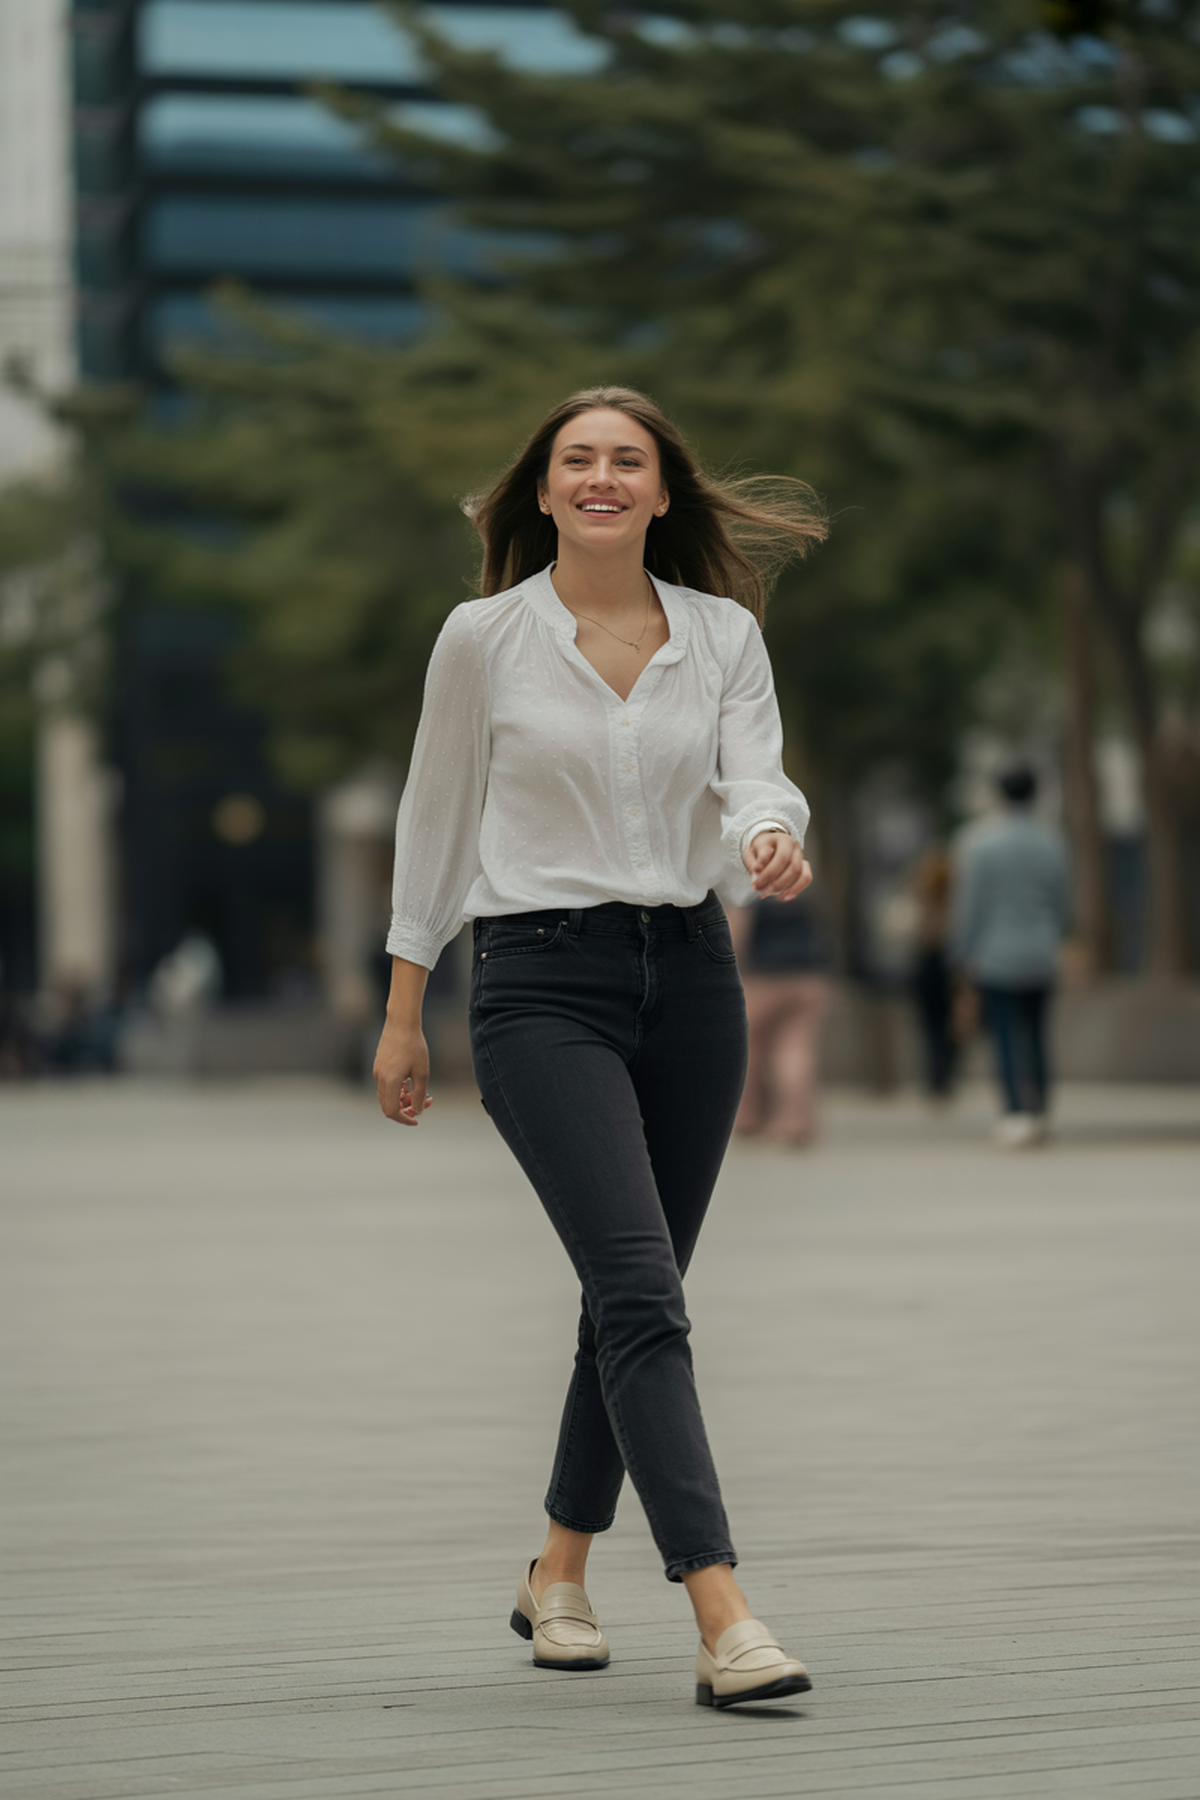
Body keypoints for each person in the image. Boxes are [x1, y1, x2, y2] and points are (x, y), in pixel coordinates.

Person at [373, 385, 825, 1709]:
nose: (604, 477)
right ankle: (723, 1608)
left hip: (690, 978)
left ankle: (557, 1571)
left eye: (629, 460)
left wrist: (768, 833)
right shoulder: (484, 638)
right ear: (546, 488)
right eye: (579, 460)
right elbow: (433, 820)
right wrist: (404, 1013)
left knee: (631, 1296)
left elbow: (759, 771)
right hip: (537, 986)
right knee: (640, 1291)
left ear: (663, 491)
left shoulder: (725, 634)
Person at [951, 766, 1070, 1147]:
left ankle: (1015, 1113)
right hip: (1041, 952)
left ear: (999, 794)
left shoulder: (981, 843)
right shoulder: (1053, 841)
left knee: (1004, 1036)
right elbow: (1065, 901)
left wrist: (961, 952)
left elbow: (970, 904)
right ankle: (1042, 1111)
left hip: (995, 955)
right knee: (1037, 1033)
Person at [730, 891, 835, 1145]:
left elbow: (737, 934)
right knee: (795, 1049)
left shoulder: (750, 894)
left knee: (750, 1049)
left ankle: (748, 1115)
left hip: (764, 978)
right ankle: (795, 1120)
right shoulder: (805, 892)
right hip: (810, 977)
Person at [909, 846, 959, 1100]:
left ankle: (935, 1075)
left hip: (927, 964)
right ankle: (945, 1074)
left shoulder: (923, 900)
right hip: (949, 965)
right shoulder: (954, 902)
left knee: (930, 1026)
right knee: (948, 1025)